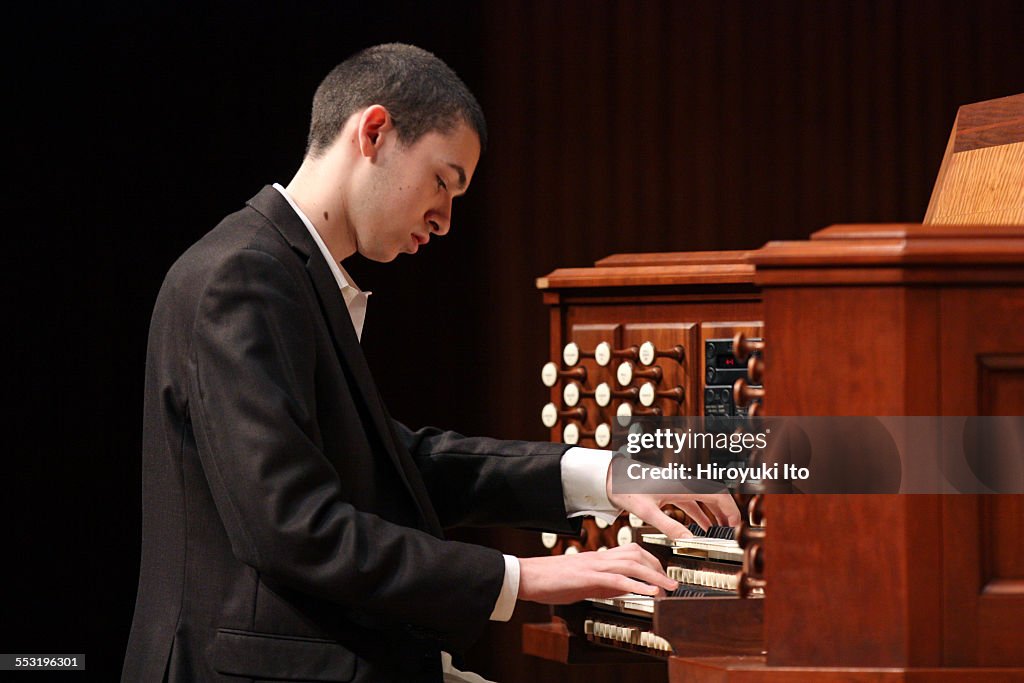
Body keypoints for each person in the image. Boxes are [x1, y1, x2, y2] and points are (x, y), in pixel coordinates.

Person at [122, 43, 740, 683]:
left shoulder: (283, 271)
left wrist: (606, 475)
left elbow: (399, 464)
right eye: (442, 180)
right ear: (374, 131)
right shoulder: (244, 276)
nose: (444, 219)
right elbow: (294, 529)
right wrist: (522, 576)